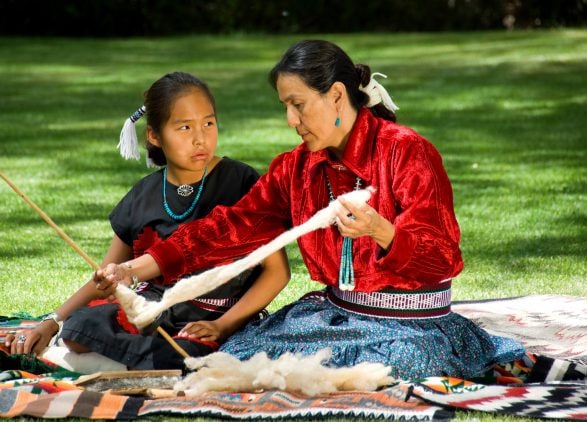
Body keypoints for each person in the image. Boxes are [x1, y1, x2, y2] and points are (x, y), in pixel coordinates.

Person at [98, 41, 525, 380]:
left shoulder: (406, 152)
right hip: (338, 314)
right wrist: (136, 270)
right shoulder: (297, 168)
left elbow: (443, 255)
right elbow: (229, 228)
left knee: (400, 365)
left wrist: (383, 231)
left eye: (297, 104)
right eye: (285, 105)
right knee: (240, 355)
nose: (290, 119)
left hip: (413, 326)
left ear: (337, 95)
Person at [4, 71, 290, 370]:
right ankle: (147, 364)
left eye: (208, 123)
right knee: (79, 328)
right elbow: (108, 276)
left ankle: (127, 364)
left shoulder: (241, 182)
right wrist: (52, 321)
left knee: (186, 351)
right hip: (153, 311)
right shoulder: (143, 194)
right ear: (155, 135)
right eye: (184, 127)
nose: (200, 137)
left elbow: (277, 272)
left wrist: (225, 325)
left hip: (214, 318)